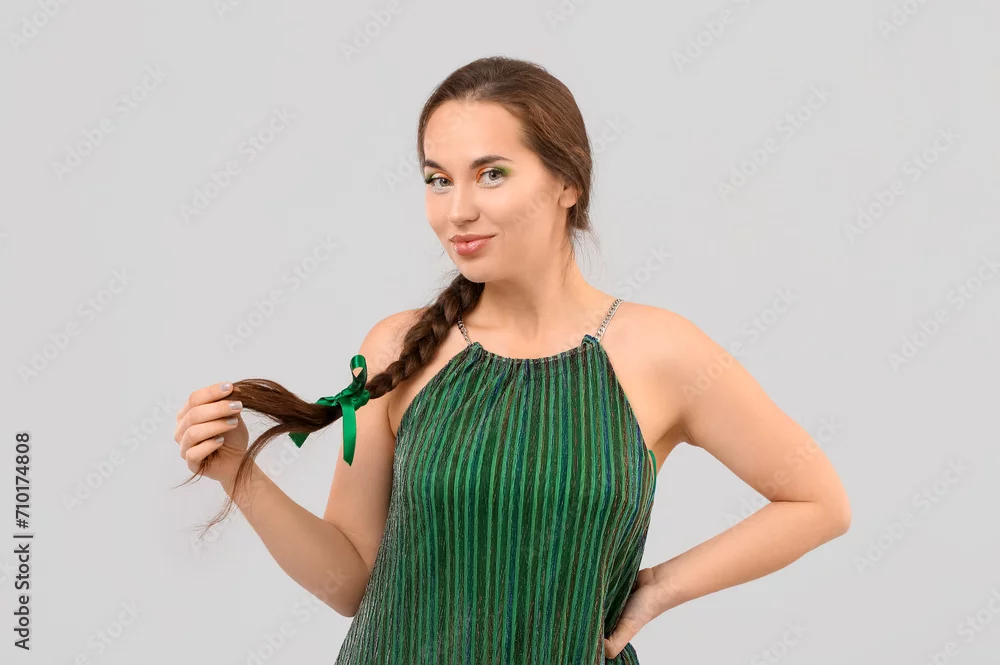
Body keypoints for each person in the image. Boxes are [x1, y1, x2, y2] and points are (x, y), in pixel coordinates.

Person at [173, 56, 851, 664]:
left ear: (567, 182)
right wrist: (239, 473)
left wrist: (659, 588)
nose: (457, 210)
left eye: (491, 174)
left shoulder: (661, 352)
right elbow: (349, 583)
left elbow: (818, 501)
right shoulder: (398, 346)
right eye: (438, 180)